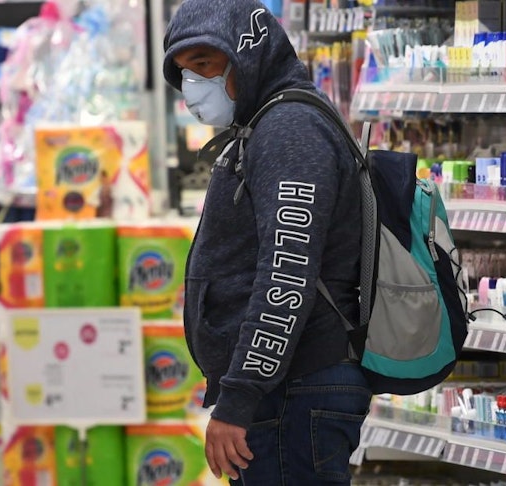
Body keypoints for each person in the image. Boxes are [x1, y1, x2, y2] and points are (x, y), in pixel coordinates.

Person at [163, 1, 369, 484]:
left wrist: (239, 398)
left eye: (205, 64)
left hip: (292, 394)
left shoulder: (288, 131)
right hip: (284, 392)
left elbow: (287, 271)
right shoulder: (265, 125)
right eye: (183, 70)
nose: (193, 83)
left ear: (248, 55)